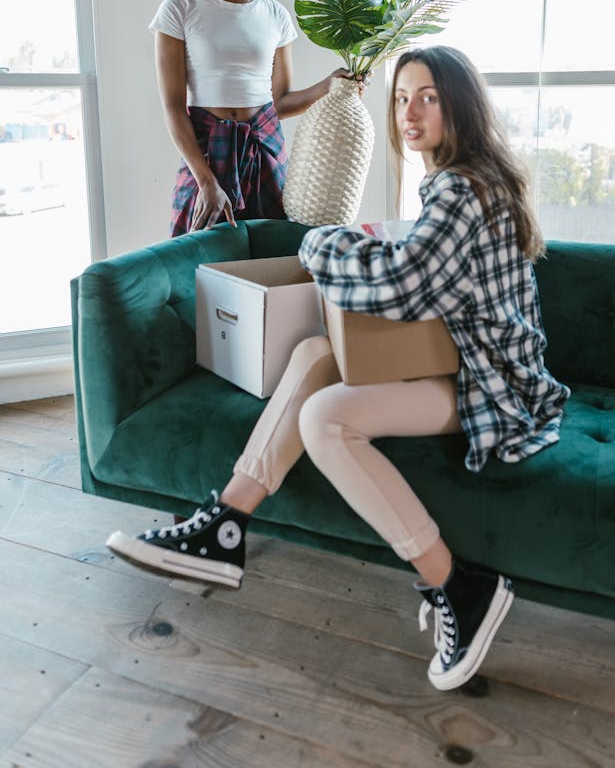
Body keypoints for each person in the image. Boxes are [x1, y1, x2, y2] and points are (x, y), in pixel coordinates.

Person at [107, 45, 570, 692]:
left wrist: (322, 242)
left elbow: (402, 289)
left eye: (428, 96)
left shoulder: (464, 188)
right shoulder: (464, 180)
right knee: (313, 353)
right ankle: (227, 523)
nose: (410, 111)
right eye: (402, 96)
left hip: (489, 384)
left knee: (327, 418)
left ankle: (459, 585)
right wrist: (354, 245)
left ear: (459, 104)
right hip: (462, 358)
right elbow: (420, 274)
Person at [150, 0, 343, 235]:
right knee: (197, 267)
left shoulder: (276, 15)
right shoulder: (180, 7)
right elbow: (174, 107)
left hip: (265, 154)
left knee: (270, 265)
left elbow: (279, 103)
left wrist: (330, 86)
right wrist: (206, 182)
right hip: (205, 156)